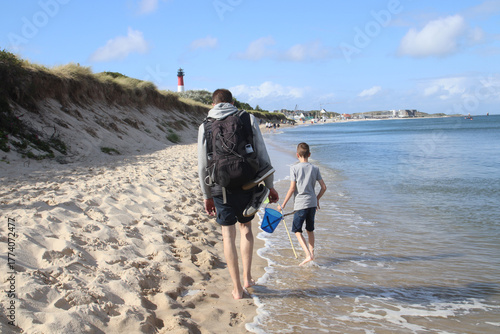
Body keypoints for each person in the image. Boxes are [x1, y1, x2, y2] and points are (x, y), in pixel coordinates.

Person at [197, 88, 279, 299]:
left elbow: (202, 165)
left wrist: (206, 195)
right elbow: (261, 153)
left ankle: (236, 289)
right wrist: (270, 186)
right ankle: (247, 278)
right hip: (247, 183)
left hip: (219, 187)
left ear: (213, 103)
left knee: (227, 235)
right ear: (232, 102)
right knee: (246, 230)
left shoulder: (205, 124)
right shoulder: (246, 118)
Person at [279, 142, 327, 266]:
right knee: (310, 229)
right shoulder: (315, 168)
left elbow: (292, 188)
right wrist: (317, 199)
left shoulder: (294, 168)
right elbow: (324, 187)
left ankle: (308, 255)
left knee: (297, 231)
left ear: (297, 155)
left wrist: (283, 205)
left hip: (300, 204)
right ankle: (312, 253)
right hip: (312, 204)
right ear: (309, 154)